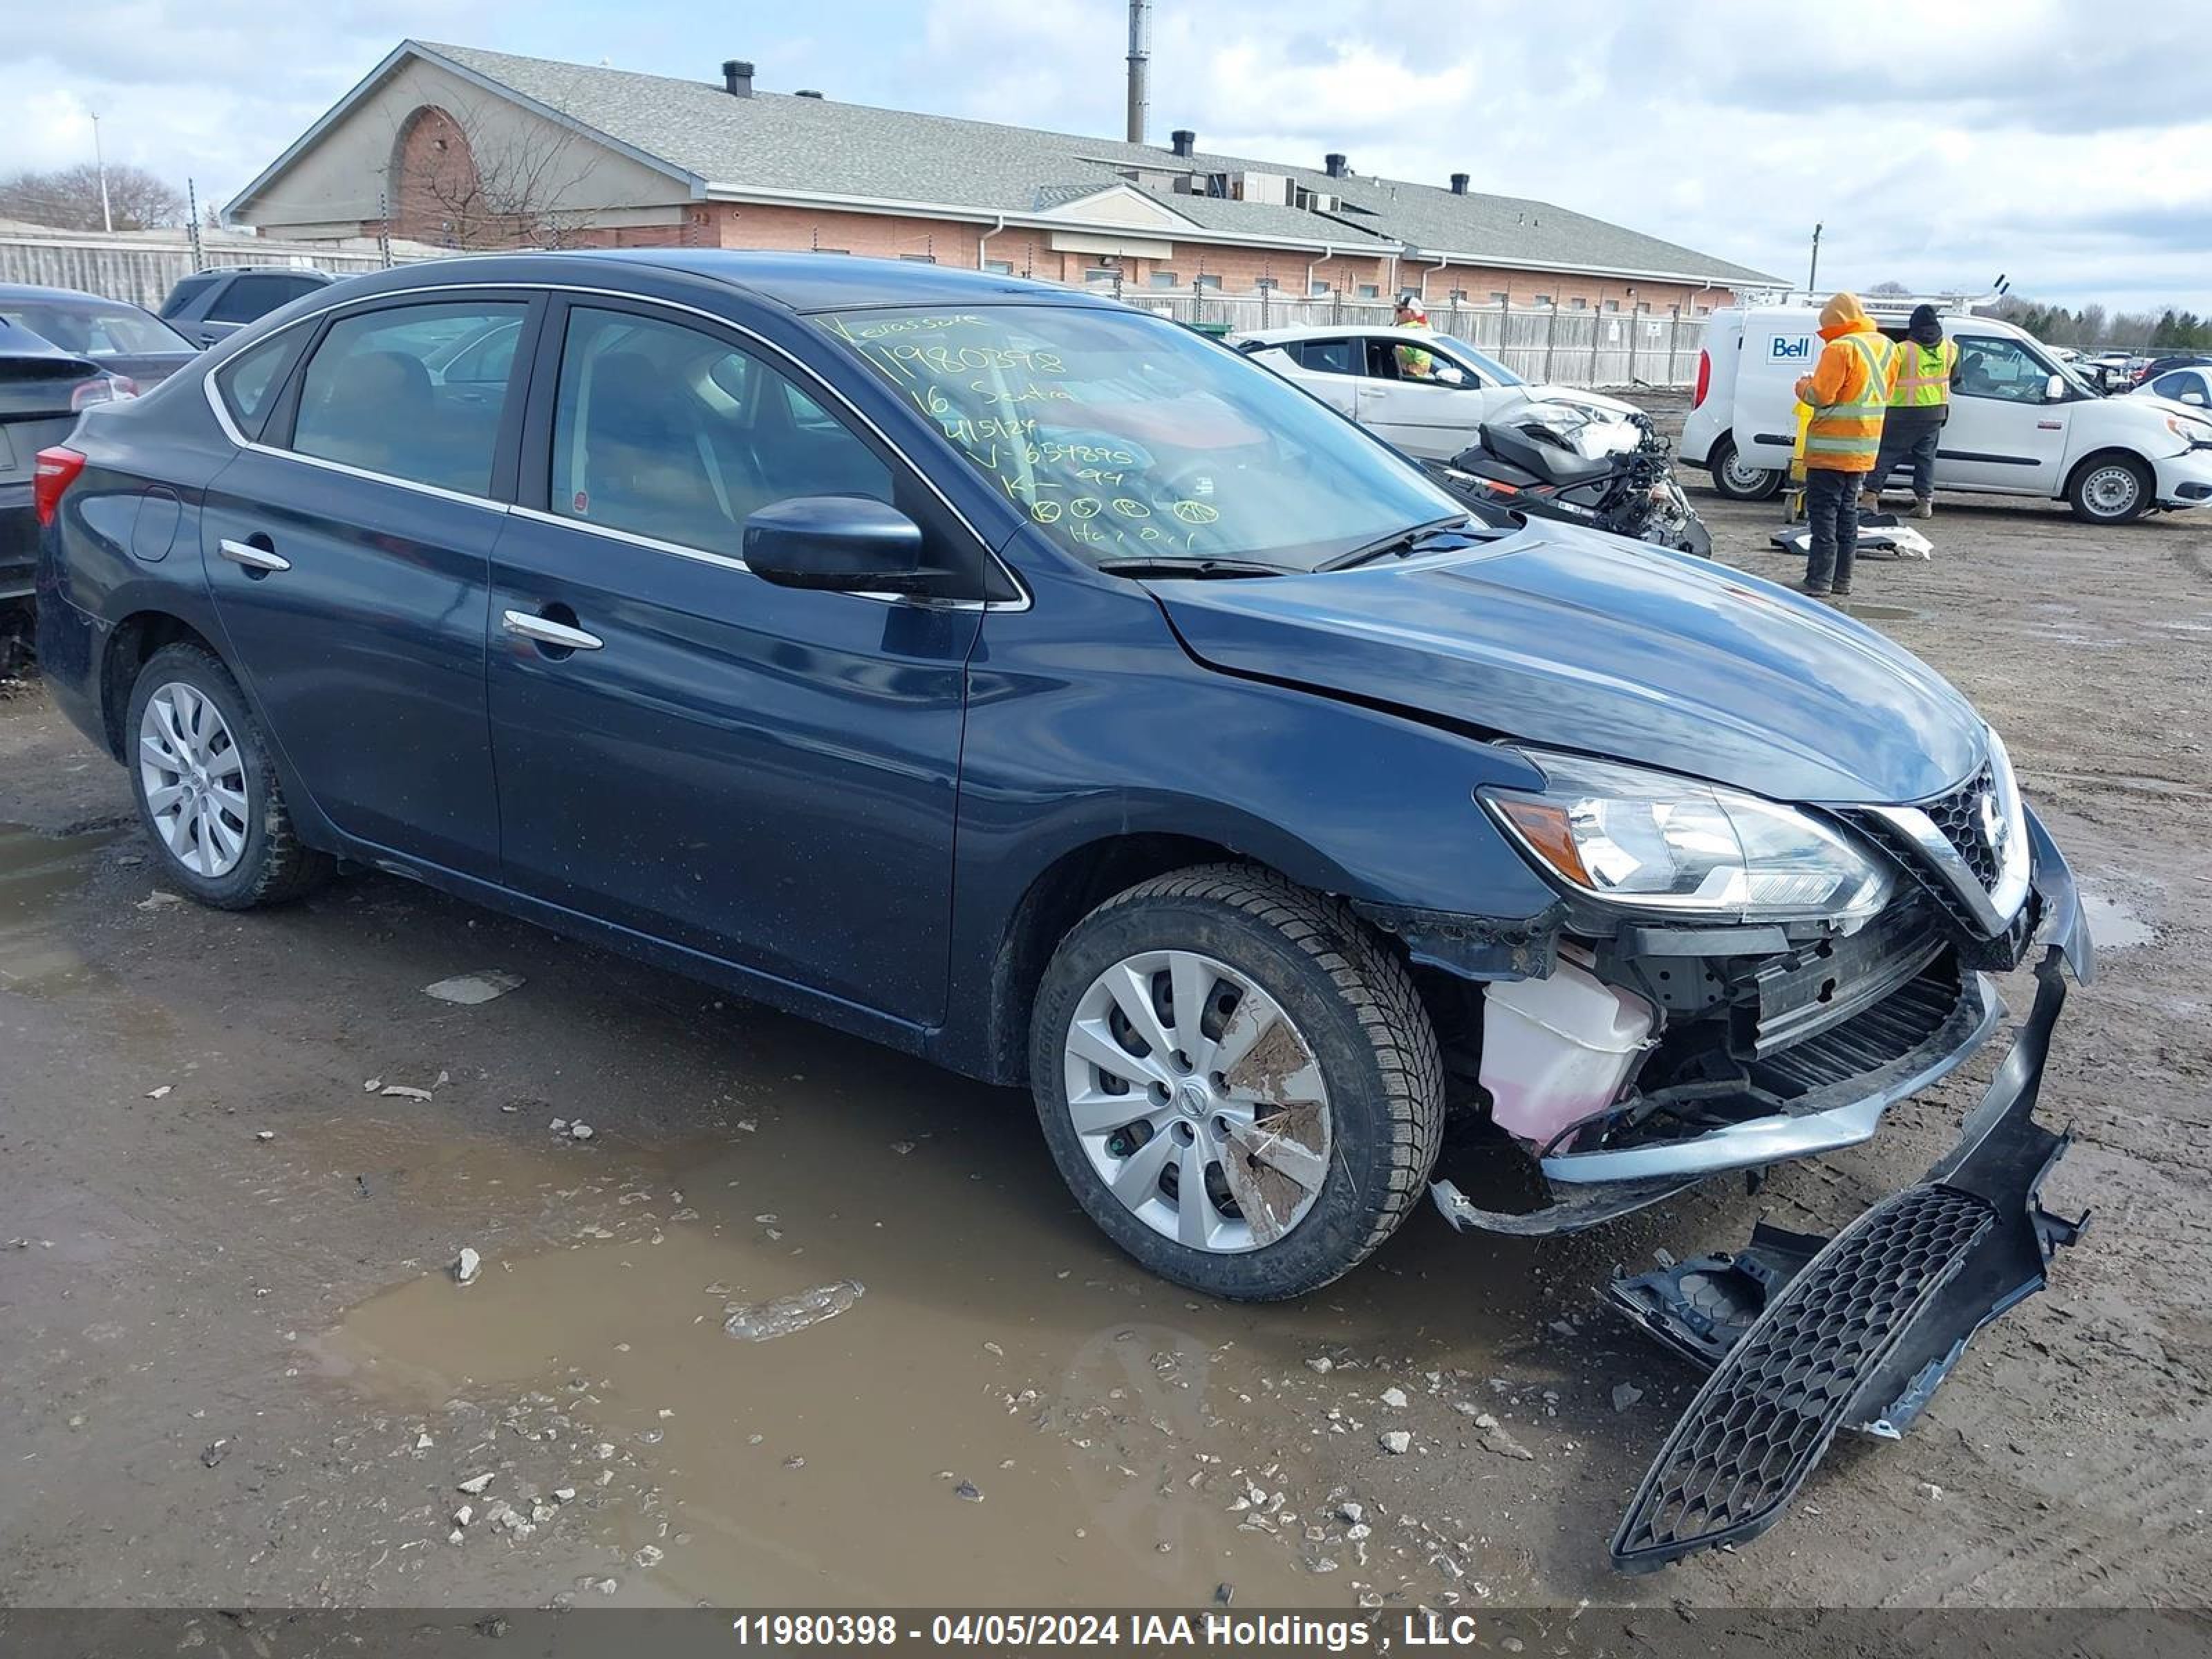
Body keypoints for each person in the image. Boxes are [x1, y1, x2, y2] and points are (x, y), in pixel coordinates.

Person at [1792, 291, 1897, 599]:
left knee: (1823, 514)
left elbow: (1820, 396)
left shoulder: (1841, 348)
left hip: (1831, 447)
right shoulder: (1887, 347)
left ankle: (1818, 581)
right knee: (1848, 513)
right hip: (1864, 446)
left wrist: (1802, 386)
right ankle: (1842, 580)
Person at [1864, 303, 1956, 519]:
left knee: (1887, 455)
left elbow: (1883, 379)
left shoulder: (1901, 350)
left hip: (1901, 412)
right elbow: (1955, 378)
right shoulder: (1951, 349)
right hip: (1935, 412)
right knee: (1926, 459)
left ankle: (1870, 499)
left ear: (1912, 327)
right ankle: (1925, 503)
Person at [1392, 294, 1435, 379]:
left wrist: (1403, 366)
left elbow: (1422, 369)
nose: (1397, 313)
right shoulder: (1399, 328)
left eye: (1400, 310)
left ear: (1412, 312)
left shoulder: (1420, 333)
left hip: (1409, 381)